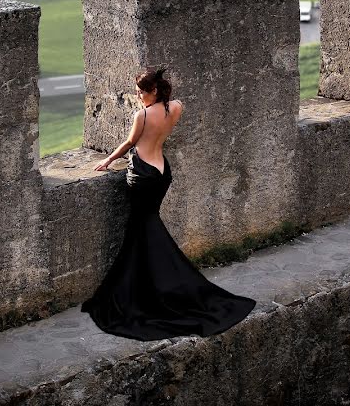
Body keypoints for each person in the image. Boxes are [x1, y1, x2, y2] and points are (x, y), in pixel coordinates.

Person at [80, 66, 256, 341]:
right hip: (162, 173)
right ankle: (154, 284)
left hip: (143, 175)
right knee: (145, 230)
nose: (138, 97)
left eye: (141, 92)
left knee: (142, 231)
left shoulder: (143, 114)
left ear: (153, 91)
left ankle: (153, 288)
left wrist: (108, 160)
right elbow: (163, 122)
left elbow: (130, 142)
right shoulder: (175, 108)